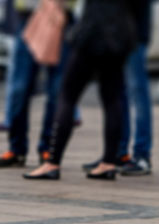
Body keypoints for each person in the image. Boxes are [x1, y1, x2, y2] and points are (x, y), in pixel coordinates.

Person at [22, 0, 144, 181]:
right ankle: (109, 163)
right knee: (112, 98)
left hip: (93, 32)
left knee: (68, 96)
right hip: (120, 34)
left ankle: (52, 162)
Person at [0, 0, 77, 169]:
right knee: (20, 87)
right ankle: (16, 149)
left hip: (60, 17)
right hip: (28, 17)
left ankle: (48, 149)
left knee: (56, 90)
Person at [82, 0, 154, 176]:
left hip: (134, 34)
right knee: (117, 92)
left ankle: (142, 155)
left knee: (137, 91)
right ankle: (117, 153)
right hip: (115, 34)